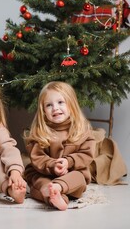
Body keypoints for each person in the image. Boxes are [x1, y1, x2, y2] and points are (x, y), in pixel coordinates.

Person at [24, 81, 96, 211]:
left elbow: (87, 154)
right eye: (49, 105)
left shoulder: (82, 130)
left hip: (72, 175)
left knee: (79, 177)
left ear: (71, 105)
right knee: (40, 183)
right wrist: (52, 165)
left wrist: (69, 162)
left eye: (60, 102)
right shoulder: (40, 132)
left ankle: (58, 188)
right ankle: (57, 198)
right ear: (43, 111)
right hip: (44, 174)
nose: (55, 108)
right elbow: (38, 158)